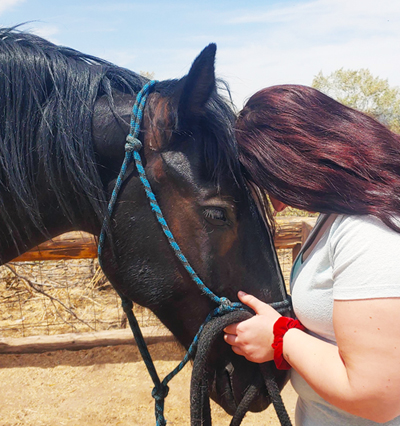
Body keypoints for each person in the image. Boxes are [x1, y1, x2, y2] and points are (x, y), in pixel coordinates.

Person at [224, 84, 400, 425]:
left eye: (259, 175)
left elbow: (377, 397)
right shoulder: (336, 214)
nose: (259, 191)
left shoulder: (369, 228)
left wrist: (280, 338)